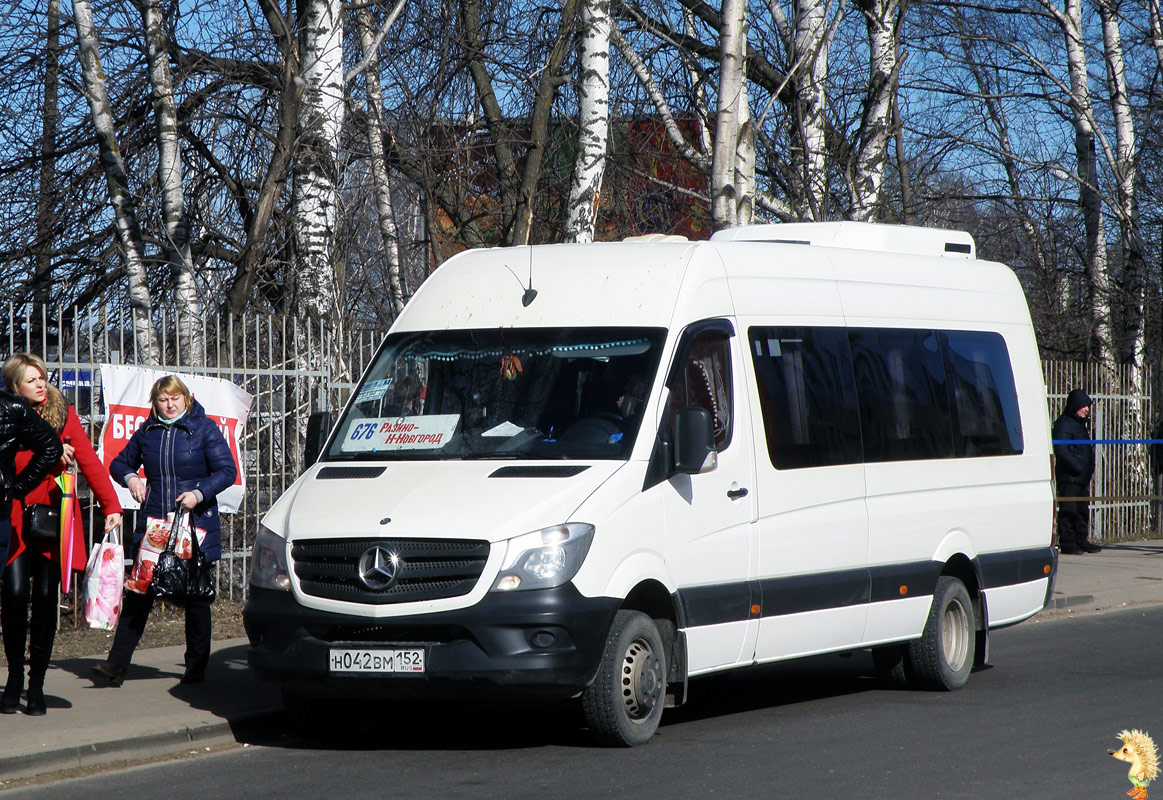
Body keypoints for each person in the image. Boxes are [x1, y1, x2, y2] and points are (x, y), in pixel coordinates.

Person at [91, 375, 236, 687]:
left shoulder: (203, 428)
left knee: (195, 596)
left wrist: (198, 494)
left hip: (193, 524)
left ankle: (196, 667)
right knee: (139, 591)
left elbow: (227, 471)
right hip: (155, 524)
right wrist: (131, 478)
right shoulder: (148, 431)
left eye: (175, 399)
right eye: (162, 400)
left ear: (186, 398)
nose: (169, 406)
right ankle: (116, 664)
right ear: (154, 402)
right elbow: (119, 463)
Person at [0, 354, 123, 716]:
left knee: (43, 599)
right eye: (31, 380)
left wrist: (111, 505)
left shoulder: (62, 412)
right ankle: (14, 679)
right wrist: (49, 449)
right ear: (14, 386)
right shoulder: (7, 413)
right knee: (15, 594)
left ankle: (36, 684)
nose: (40, 384)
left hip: (55, 519)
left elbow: (88, 460)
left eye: (42, 378)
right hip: (16, 517)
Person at [1053, 388, 1100, 555]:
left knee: (1081, 510)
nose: (1086, 409)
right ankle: (1068, 542)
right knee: (1068, 510)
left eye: (1088, 406)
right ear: (1075, 406)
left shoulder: (1080, 425)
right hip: (1070, 477)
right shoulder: (1064, 424)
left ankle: (1081, 539)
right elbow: (1062, 450)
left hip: (1081, 477)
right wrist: (1077, 467)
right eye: (1083, 406)